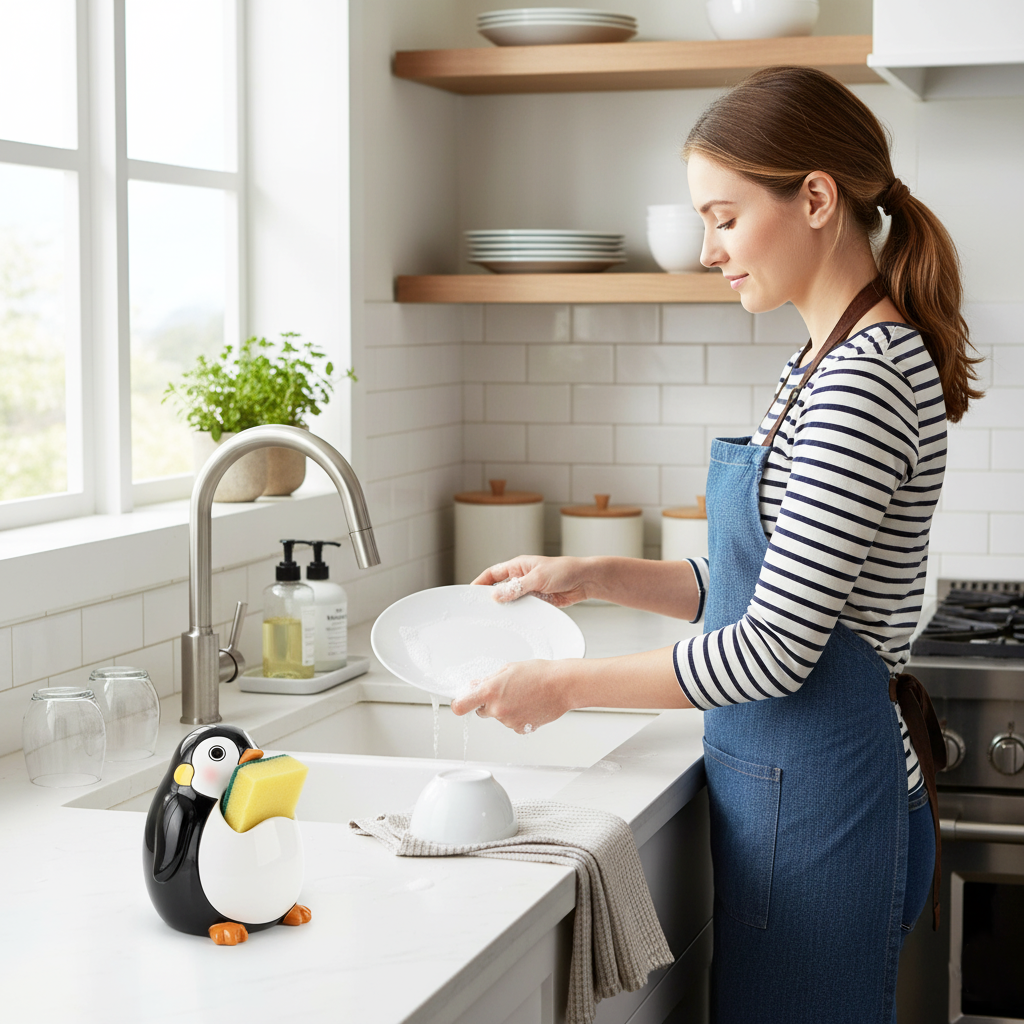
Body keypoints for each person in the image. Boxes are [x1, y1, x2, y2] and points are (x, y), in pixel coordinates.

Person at [449, 66, 983, 1024]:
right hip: (790, 799)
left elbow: (774, 649)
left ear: (816, 198)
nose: (708, 250)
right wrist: (595, 574)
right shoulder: (817, 362)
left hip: (830, 808)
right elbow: (754, 582)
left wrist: (562, 687)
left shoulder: (864, 379)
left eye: (725, 218)